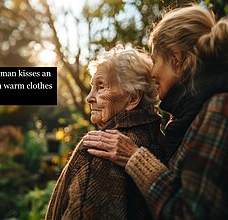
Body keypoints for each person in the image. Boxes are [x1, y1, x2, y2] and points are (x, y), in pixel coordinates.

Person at [83, 5, 228, 219]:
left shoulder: (219, 108)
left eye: (156, 60)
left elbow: (193, 214)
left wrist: (135, 158)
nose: (152, 71)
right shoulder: (191, 114)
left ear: (176, 61)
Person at [46, 45, 164, 220]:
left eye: (101, 87)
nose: (89, 97)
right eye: (92, 87)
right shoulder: (162, 139)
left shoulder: (101, 149)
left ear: (133, 98)